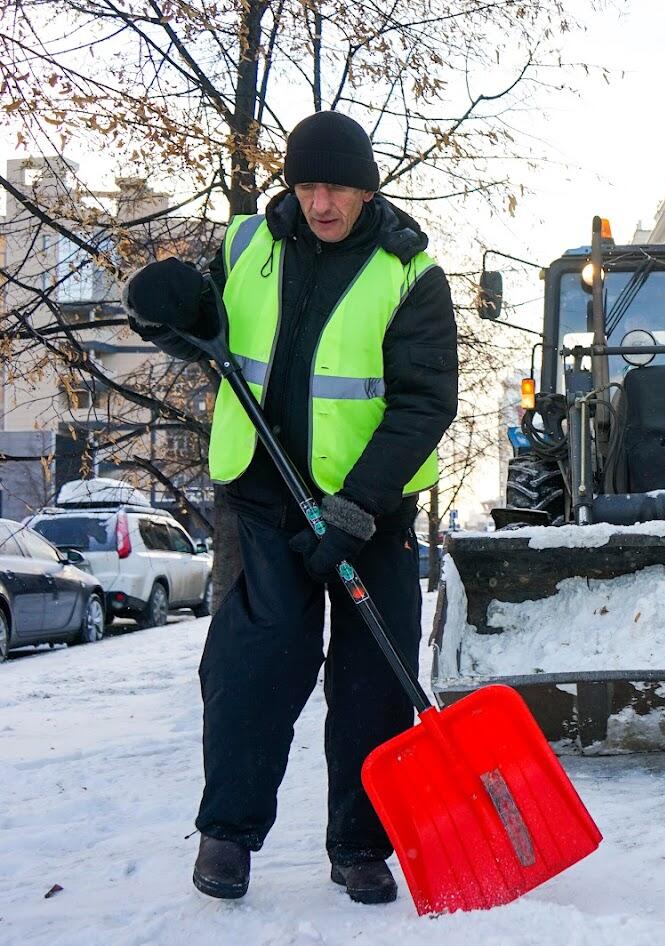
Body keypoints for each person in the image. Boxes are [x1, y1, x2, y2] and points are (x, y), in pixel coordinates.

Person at [124, 111, 458, 905]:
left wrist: (356, 508)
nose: (320, 203)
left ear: (367, 190)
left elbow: (424, 402)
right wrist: (159, 314)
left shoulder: (409, 273)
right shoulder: (247, 245)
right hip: (265, 501)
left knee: (374, 679)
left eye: (336, 187)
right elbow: (203, 336)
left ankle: (361, 845)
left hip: (367, 512)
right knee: (253, 667)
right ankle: (227, 834)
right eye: (307, 186)